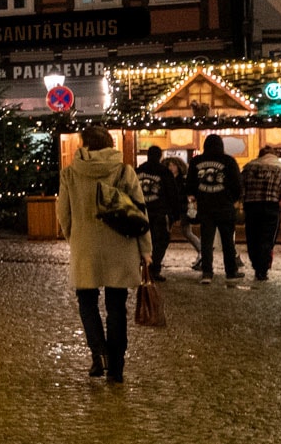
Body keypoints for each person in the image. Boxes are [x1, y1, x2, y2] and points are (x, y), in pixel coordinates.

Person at [57, 126, 151, 383]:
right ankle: (117, 368)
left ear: (84, 144)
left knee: (86, 302)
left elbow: (63, 214)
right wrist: (146, 250)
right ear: (110, 143)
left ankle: (99, 353)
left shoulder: (70, 173)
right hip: (120, 246)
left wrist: (74, 238)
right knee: (116, 307)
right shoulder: (123, 171)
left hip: (85, 245)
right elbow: (140, 213)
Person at [187, 133, 242, 282]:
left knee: (206, 242)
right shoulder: (228, 161)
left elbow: (190, 184)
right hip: (225, 207)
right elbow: (237, 185)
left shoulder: (196, 161)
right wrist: (232, 199)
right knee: (227, 241)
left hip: (205, 207)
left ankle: (207, 273)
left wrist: (196, 196)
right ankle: (231, 271)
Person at [135, 147, 183, 281]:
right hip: (160, 213)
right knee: (160, 241)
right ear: (160, 156)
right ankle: (154, 269)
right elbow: (172, 194)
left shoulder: (137, 171)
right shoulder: (164, 172)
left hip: (140, 212)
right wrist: (175, 214)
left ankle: (142, 268)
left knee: (141, 241)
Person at [241, 146, 281, 282]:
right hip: (271, 206)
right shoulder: (277, 169)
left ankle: (256, 264)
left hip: (251, 207)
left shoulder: (248, 168)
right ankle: (262, 270)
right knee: (267, 238)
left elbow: (240, 184)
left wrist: (244, 197)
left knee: (252, 237)